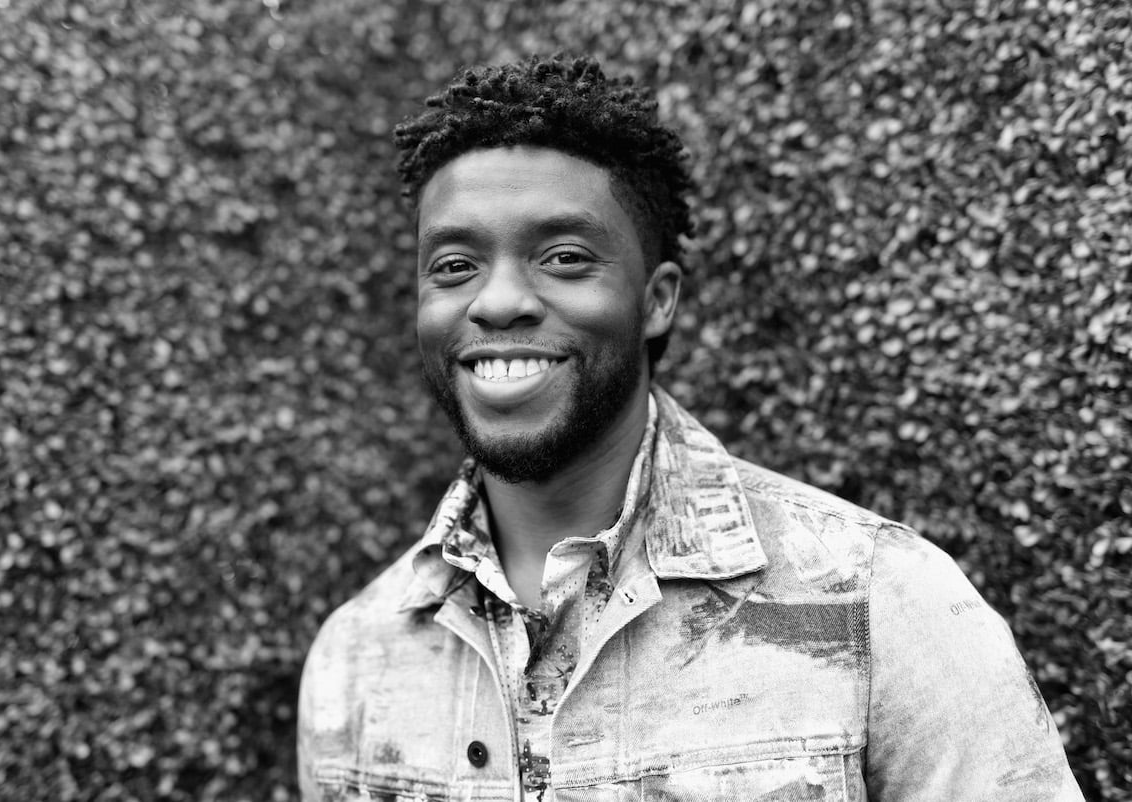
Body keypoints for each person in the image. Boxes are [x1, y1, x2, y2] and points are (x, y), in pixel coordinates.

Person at [297, 54, 1082, 801]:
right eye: (454, 266)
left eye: (565, 257)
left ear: (657, 299)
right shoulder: (355, 659)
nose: (497, 300)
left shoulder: (879, 603)